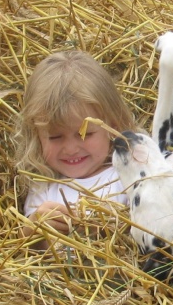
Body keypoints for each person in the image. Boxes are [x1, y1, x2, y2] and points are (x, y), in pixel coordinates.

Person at [13, 50, 137, 248]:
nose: (70, 149)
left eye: (85, 134)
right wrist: (37, 224)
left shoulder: (126, 176)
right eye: (55, 137)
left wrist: (102, 227)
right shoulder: (44, 185)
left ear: (112, 126)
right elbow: (24, 249)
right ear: (37, 135)